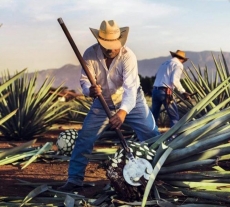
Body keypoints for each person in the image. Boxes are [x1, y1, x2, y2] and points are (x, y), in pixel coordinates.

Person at [58, 20, 160, 191]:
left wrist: (122, 113)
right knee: (85, 138)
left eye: (113, 45)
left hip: (131, 102)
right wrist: (89, 90)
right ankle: (74, 179)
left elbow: (130, 90)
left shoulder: (128, 56)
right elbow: (84, 81)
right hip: (101, 102)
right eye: (106, 45)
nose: (110, 49)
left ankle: (160, 174)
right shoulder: (90, 54)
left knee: (152, 135)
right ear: (99, 41)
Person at [151, 50, 191, 127]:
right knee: (174, 117)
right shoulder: (178, 65)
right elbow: (174, 80)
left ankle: (149, 136)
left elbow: (158, 76)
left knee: (153, 116)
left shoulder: (164, 63)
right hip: (166, 92)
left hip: (155, 91)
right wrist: (183, 92)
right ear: (182, 59)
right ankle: (173, 138)